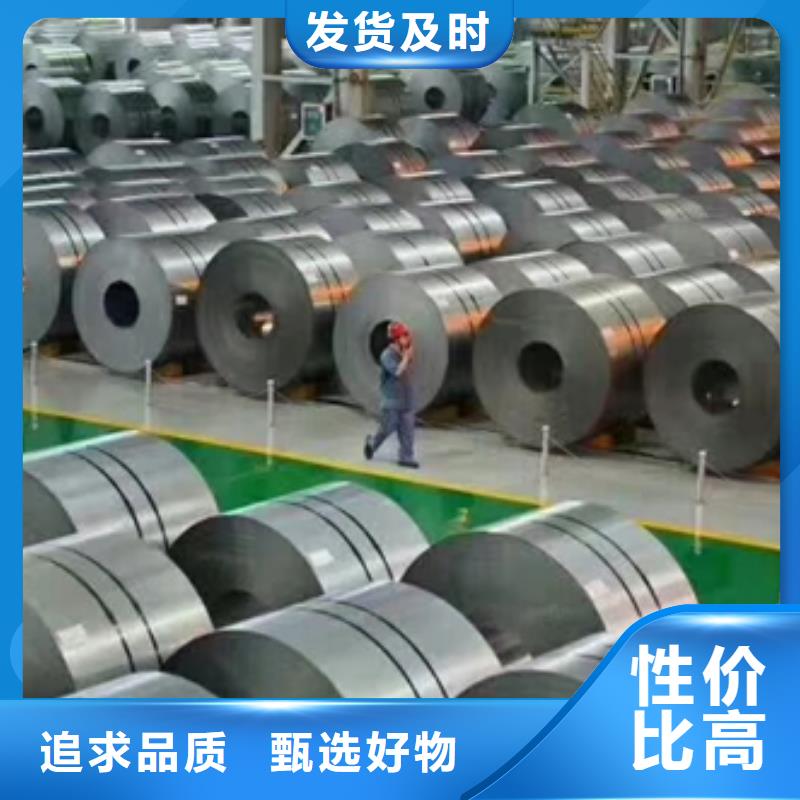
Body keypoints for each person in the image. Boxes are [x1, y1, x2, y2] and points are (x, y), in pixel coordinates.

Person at [363, 322, 419, 468]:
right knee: (387, 428)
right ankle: (372, 443)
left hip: (406, 399)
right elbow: (397, 372)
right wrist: (406, 358)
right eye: (404, 336)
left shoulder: (402, 352)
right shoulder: (386, 355)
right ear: (396, 339)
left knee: (408, 429)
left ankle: (406, 457)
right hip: (392, 400)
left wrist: (407, 356)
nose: (407, 339)